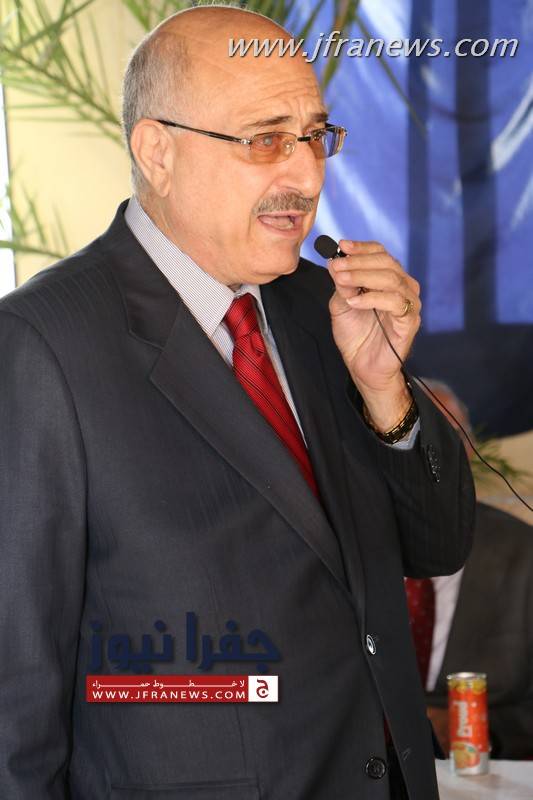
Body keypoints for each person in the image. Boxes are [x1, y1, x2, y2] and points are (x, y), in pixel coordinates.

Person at [0, 7, 475, 799]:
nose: (307, 176)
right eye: (264, 140)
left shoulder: (326, 308)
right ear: (157, 152)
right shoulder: (40, 346)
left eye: (314, 136)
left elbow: (436, 547)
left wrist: (384, 390)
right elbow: (15, 694)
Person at [406, 380, 533, 760]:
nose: (424, 459)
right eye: (400, 440)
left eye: (445, 442)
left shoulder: (523, 555)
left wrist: (476, 729)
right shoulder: (336, 549)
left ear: (471, 456)